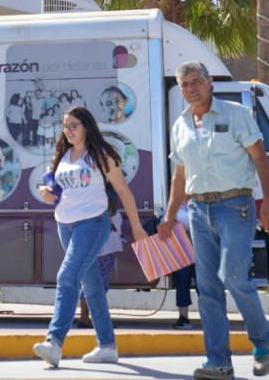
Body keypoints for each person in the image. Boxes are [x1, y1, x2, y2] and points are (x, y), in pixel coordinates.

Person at [160, 60, 269, 380]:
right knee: (208, 289)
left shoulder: (236, 114)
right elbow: (180, 175)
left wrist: (268, 201)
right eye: (184, 85)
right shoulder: (180, 124)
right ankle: (219, 362)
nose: (190, 89)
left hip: (236, 207)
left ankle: (265, 342)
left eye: (196, 81)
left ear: (209, 82)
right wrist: (169, 216)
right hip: (198, 211)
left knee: (233, 275)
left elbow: (261, 158)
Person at [33, 106, 148, 368]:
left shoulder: (101, 154)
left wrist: (138, 228)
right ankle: (107, 346)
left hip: (93, 223)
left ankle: (54, 342)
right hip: (65, 223)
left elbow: (123, 191)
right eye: (65, 126)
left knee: (67, 276)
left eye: (74, 125)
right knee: (92, 286)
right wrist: (44, 191)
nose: (68, 130)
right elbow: (54, 185)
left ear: (86, 126)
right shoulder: (63, 153)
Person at [76, 207, 124, 329]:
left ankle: (86, 318)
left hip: (106, 248)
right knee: (98, 285)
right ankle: (97, 320)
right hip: (103, 250)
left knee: (93, 284)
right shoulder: (101, 206)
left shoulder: (101, 206)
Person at [170, 205, 198, 329]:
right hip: (181, 247)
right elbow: (164, 221)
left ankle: (215, 316)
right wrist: (170, 222)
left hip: (201, 246)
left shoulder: (202, 200)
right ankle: (183, 318)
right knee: (181, 281)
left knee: (204, 283)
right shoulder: (175, 204)